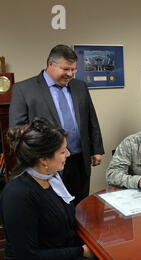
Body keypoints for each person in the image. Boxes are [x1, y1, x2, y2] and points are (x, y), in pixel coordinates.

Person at [0, 118, 127, 260]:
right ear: (43, 159)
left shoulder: (52, 180)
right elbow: (29, 257)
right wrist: (81, 251)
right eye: (62, 151)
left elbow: (65, 226)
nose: (68, 154)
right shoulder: (18, 195)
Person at [9, 44, 104, 205]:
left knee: (80, 206)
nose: (70, 74)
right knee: (55, 209)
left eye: (73, 70)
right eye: (66, 69)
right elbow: (17, 131)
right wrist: (33, 163)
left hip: (79, 160)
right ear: (50, 64)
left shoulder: (79, 87)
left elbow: (91, 119)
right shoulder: (24, 89)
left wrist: (96, 149)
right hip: (46, 164)